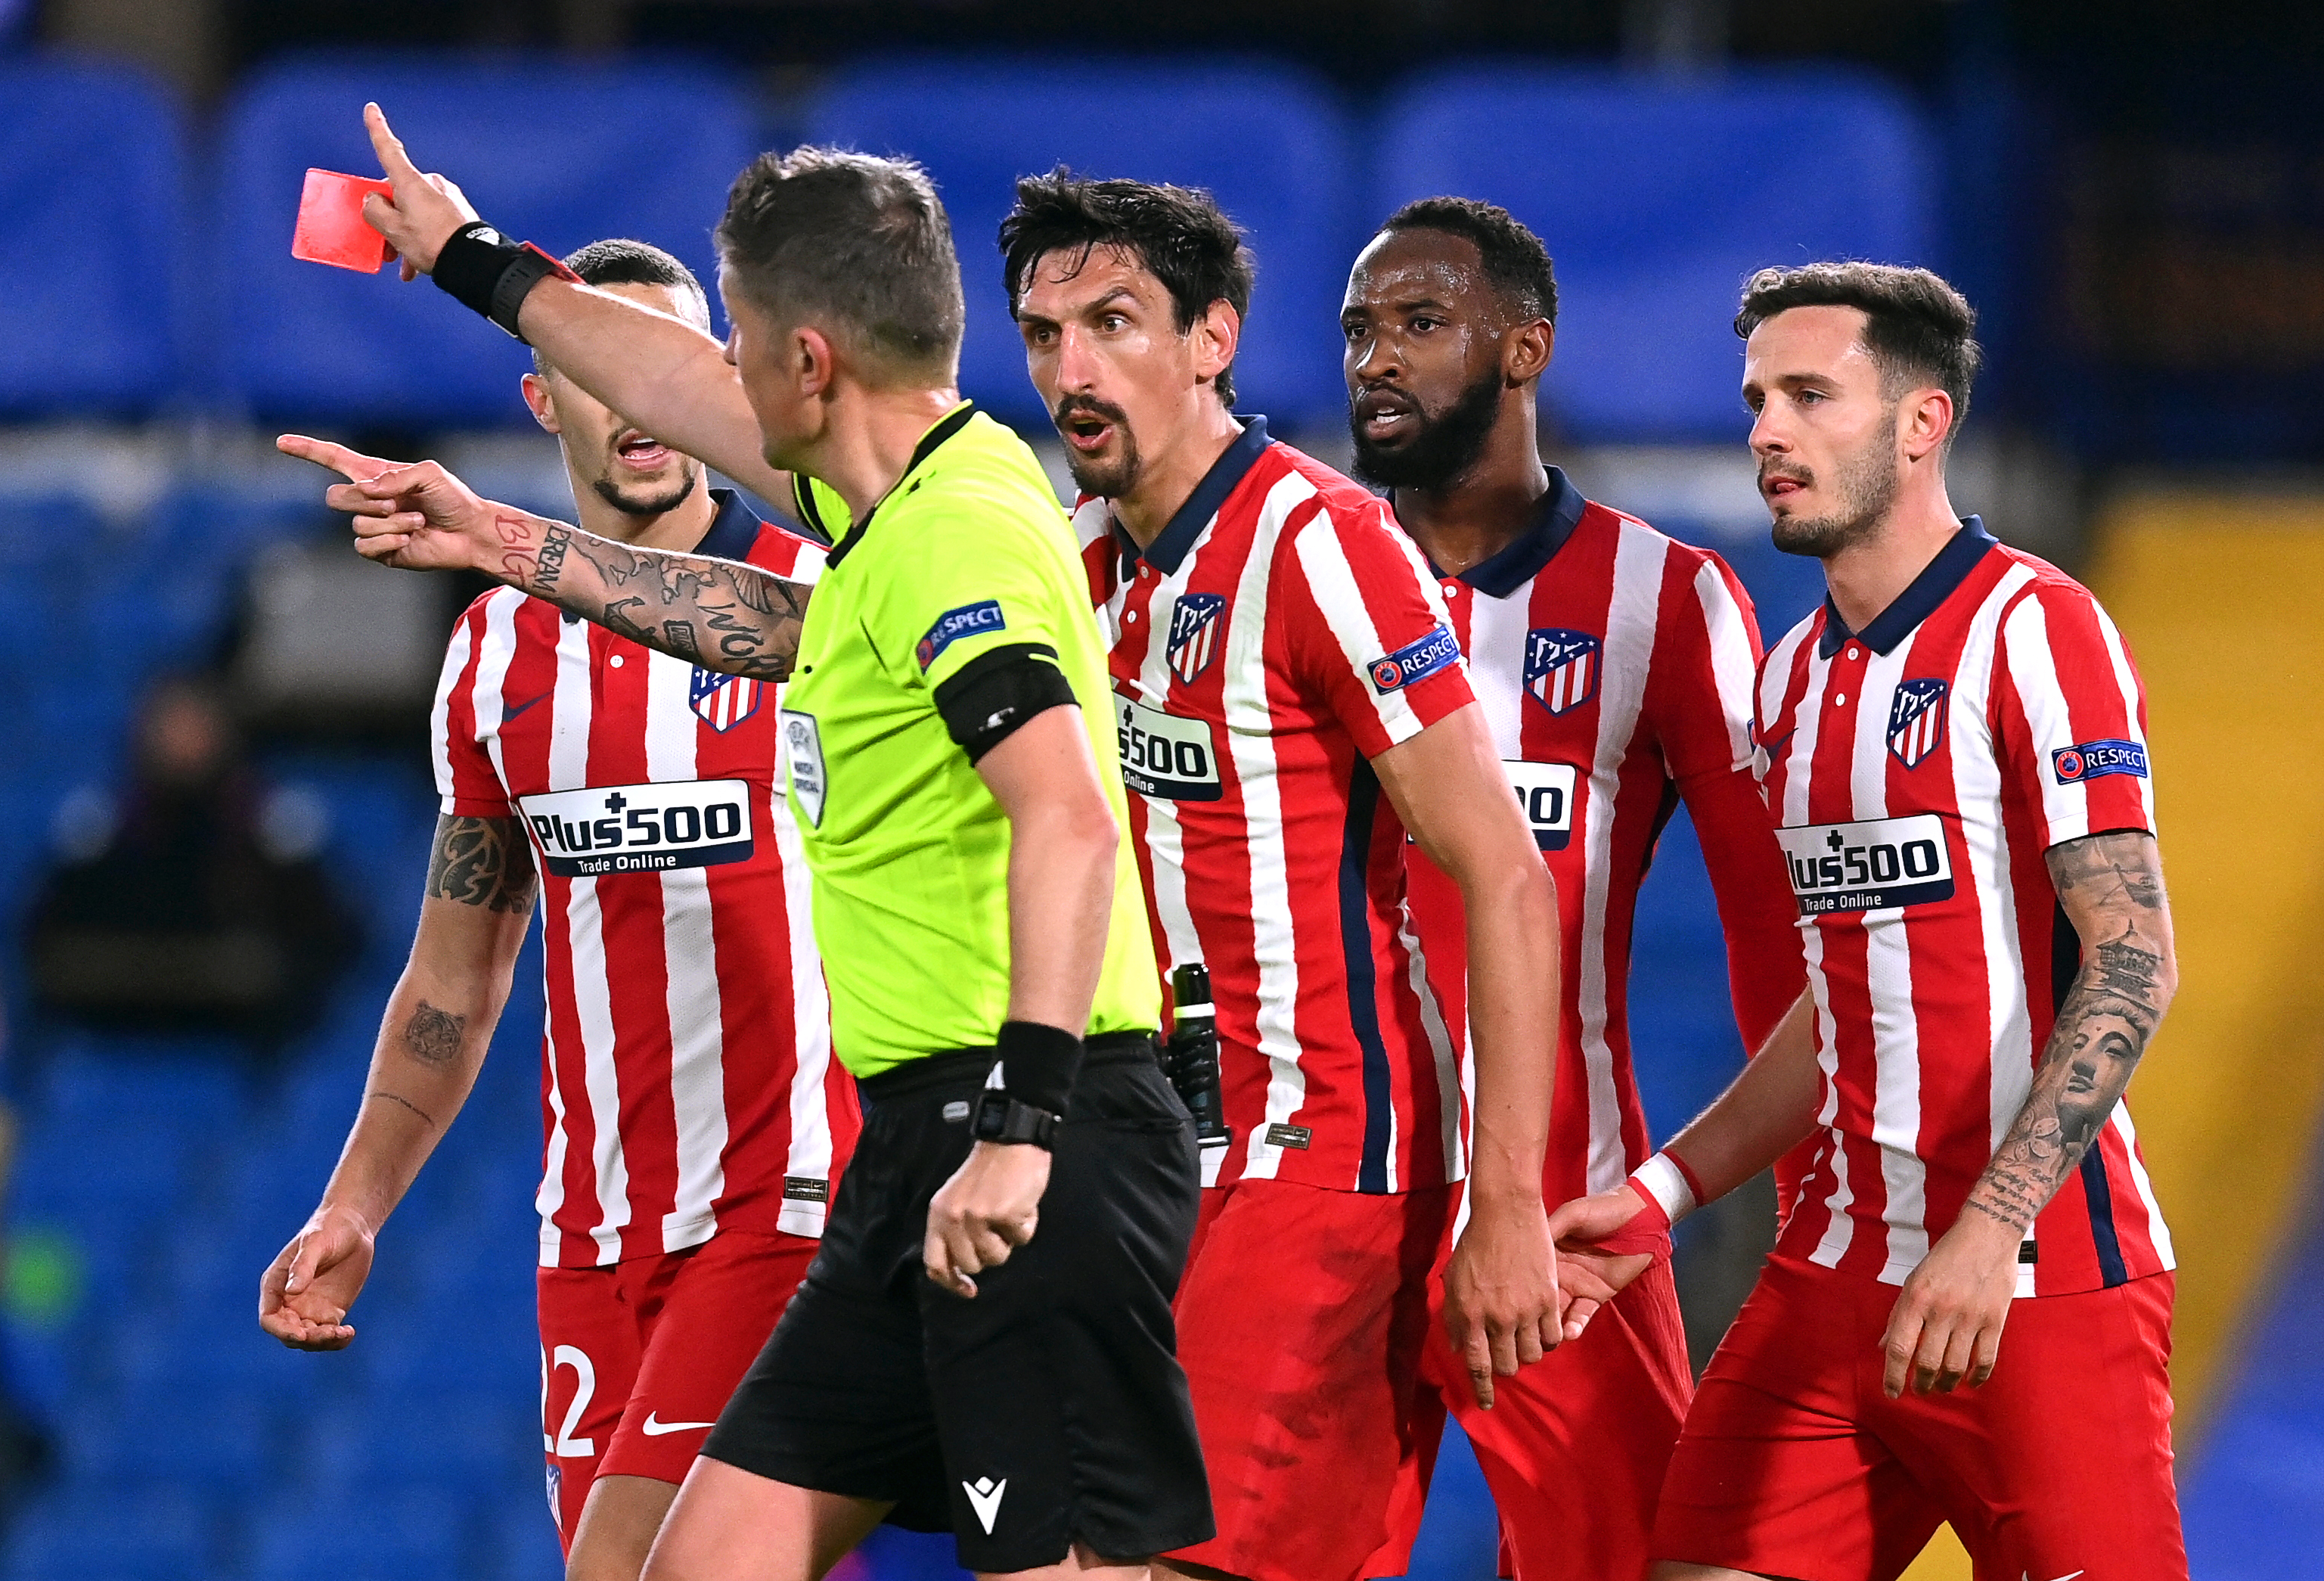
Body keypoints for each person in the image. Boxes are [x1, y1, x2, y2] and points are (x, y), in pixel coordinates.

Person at [284, 110, 1212, 1581]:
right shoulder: (877, 501)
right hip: (912, 1151)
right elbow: (660, 378)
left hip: (1033, 1133)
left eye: (740, 340)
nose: (704, 382)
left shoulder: (958, 534)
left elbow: (1070, 815)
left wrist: (1024, 1132)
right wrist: (466, 256)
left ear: (806, 362)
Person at [1553, 262, 2186, 1581]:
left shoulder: (2034, 629)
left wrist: (1987, 1229)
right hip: (1827, 1282)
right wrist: (1660, 1192)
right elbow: (1842, 1004)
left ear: (1920, 423)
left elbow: (2132, 957)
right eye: (1753, 401)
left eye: (1806, 397)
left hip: (2034, 1288)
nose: (1764, 432)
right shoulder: (1788, 681)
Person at [259, 239, 861, 1581]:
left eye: (673, 365)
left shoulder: (823, 606)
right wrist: (355, 1202)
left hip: (791, 1204)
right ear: (546, 399)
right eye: (597, 364)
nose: (639, 400)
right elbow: (452, 981)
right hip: (592, 1238)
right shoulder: (495, 655)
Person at [995, 172, 1565, 1581]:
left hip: (1318, 1163)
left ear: (1213, 339)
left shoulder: (1323, 545)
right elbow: (824, 624)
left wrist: (1501, 1204)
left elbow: (1503, 873)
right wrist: (521, 547)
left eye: (1113, 322)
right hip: (1144, 1173)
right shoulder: (1074, 566)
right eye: (1042, 332)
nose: (1072, 367)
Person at [1336, 199, 1804, 1581]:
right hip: (1320, 1197)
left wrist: (1789, 1204)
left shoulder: (1664, 601)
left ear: (1523, 348)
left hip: (1556, 1227)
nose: (1377, 358)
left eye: (1422, 324)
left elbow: (1779, 950)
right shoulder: (1293, 566)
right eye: (1361, 327)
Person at [26, 672, 359, 1054]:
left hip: (248, 1046)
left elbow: (330, 943)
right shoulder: (100, 836)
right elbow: (46, 944)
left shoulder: (274, 835)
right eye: (172, 725)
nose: (183, 741)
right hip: (115, 1040)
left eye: (195, 725)